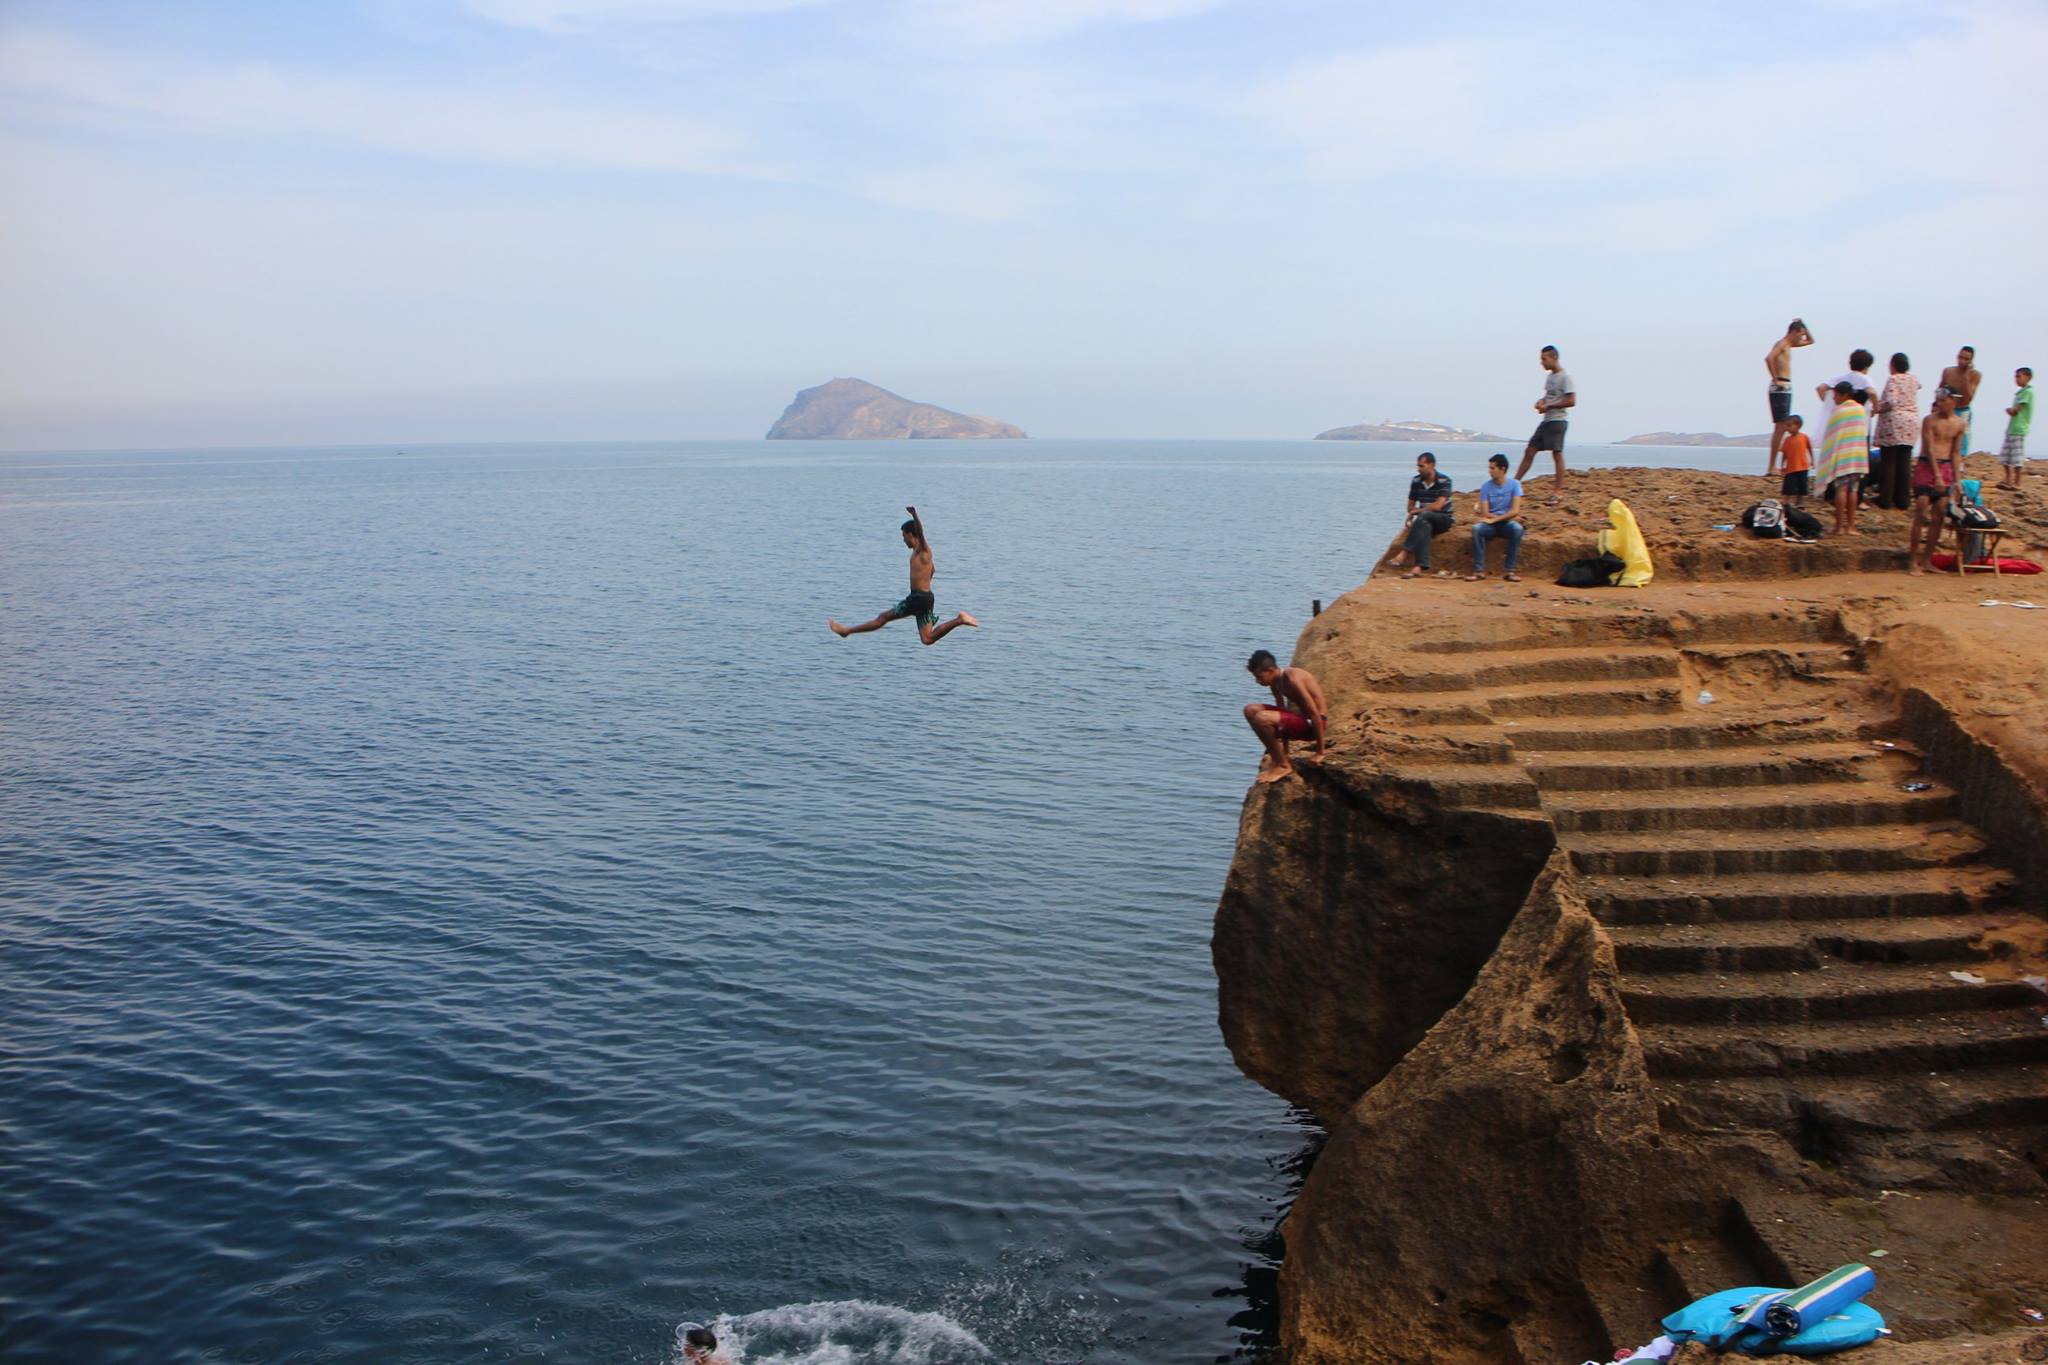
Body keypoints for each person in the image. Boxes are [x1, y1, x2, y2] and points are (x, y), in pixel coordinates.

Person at [828, 505, 981, 644]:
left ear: (911, 534)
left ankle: (847, 631)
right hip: (926, 598)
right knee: (927, 639)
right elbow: (933, 570)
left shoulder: (923, 550)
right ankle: (959, 620)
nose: (903, 540)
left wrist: (915, 516)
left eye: (904, 536)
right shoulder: (919, 554)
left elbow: (921, 532)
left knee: (883, 618)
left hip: (918, 598)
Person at [1242, 649, 1328, 784]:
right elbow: (1282, 713)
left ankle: (1283, 766)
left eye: (1259, 677)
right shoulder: (1275, 681)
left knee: (1262, 718)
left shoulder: (1293, 679)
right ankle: (1279, 759)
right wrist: (1285, 749)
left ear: (1270, 670)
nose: (1257, 681)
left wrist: (1320, 753)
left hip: (1314, 724)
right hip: (1301, 720)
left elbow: (1315, 714)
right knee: (1250, 710)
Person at [1910, 390, 1964, 575]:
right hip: (1927, 465)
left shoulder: (1959, 423)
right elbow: (1930, 448)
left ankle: (1927, 560)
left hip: (1946, 465)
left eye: (1943, 400)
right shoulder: (1930, 420)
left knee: (1939, 514)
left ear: (1952, 401)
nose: (1940, 403)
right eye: (1938, 400)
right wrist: (1937, 475)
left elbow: (1956, 452)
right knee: (1921, 509)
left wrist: (1957, 480)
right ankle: (1913, 561)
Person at [1514, 345, 1576, 500]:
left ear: (1554, 358)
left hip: (1558, 420)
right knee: (1530, 450)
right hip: (1547, 420)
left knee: (1557, 453)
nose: (1542, 363)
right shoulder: (1550, 377)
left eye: (1544, 359)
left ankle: (1558, 491)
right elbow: (1548, 396)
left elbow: (1571, 400)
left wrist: (1550, 406)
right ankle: (1514, 484)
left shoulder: (1565, 377)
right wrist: (1541, 402)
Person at [1384, 451, 1455, 578]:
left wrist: (1417, 511)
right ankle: (1418, 567)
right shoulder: (1416, 481)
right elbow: (1410, 506)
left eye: (1422, 466)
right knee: (1424, 523)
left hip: (1443, 519)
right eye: (1418, 466)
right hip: (1425, 519)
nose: (1419, 469)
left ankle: (1404, 553)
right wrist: (1415, 511)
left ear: (1432, 465)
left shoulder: (1445, 481)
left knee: (1424, 516)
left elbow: (1439, 506)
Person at [1814, 381, 1870, 537]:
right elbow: (1862, 433)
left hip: (1843, 456)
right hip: (1857, 456)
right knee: (1853, 490)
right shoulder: (1860, 409)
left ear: (1844, 395)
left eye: (1836, 395)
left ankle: (1839, 527)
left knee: (1841, 489)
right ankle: (1851, 527)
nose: (1834, 399)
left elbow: (1831, 437)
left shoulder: (1839, 411)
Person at [1765, 318, 1814, 475]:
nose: (1801, 338)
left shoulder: (1789, 345)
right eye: (1799, 334)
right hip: (1780, 386)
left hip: (1785, 386)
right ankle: (1772, 466)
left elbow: (1811, 341)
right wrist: (1775, 378)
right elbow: (1769, 358)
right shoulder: (1782, 344)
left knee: (1782, 426)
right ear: (1793, 332)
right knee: (1780, 426)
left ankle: (1775, 465)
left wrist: (1804, 327)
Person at [1872, 352, 1921, 510]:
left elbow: (1891, 402)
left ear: (1893, 365)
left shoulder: (1893, 379)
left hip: (1894, 422)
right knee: (1904, 462)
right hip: (1911, 421)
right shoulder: (1913, 379)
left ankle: (1885, 498)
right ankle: (1903, 500)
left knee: (1889, 461)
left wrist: (1878, 408)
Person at [1468, 453, 1526, 581]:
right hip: (1492, 524)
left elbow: (1515, 510)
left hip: (1504, 524)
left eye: (1492, 468)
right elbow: (1485, 513)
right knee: (1477, 529)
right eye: (1489, 468)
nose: (1490, 471)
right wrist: (1504, 518)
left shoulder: (1514, 485)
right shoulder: (1486, 487)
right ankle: (1479, 570)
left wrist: (1496, 519)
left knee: (1517, 529)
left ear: (1503, 469)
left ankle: (1509, 571)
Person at [1813, 348, 1881, 456]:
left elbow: (1820, 388)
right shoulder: (1865, 379)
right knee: (1860, 455)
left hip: (1842, 423)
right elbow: (1872, 393)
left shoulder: (1841, 378)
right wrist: (1876, 409)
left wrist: (1831, 404)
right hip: (1861, 423)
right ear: (1866, 366)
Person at [1940, 346, 1983, 455]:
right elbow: (1940, 390)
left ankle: (1959, 466)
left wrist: (1966, 377)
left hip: (1963, 410)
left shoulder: (1975, 375)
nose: (1961, 361)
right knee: (1944, 440)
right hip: (1947, 410)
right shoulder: (1948, 371)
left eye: (1966, 359)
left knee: (1961, 444)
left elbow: (1969, 397)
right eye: (1960, 357)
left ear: (1971, 361)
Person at [2000, 366, 2034, 490]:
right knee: (2005, 455)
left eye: (2019, 376)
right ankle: (2008, 479)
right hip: (2012, 428)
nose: (2016, 379)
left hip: (2019, 428)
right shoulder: (2020, 393)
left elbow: (2018, 409)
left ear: (2027, 377)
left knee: (2016, 457)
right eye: (2016, 376)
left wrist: (2011, 410)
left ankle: (2017, 481)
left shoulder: (2028, 392)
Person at [1779, 415, 1813, 507]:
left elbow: (1809, 449)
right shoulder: (1787, 440)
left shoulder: (1804, 437)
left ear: (1798, 425)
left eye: (1789, 426)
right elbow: (1785, 453)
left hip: (1803, 466)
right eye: (1786, 426)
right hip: (1791, 468)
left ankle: (1800, 502)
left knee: (1802, 485)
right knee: (1788, 486)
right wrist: (1782, 465)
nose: (1787, 428)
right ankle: (1785, 501)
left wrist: (1812, 461)